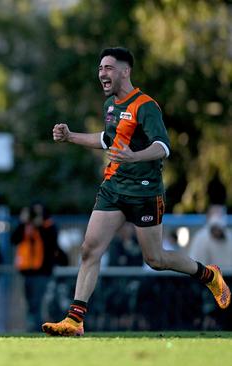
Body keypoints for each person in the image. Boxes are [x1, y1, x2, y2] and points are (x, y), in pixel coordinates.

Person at [43, 47, 230, 336]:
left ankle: (209, 274)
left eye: (108, 67)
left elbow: (163, 147)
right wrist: (71, 137)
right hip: (114, 188)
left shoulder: (146, 106)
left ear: (125, 71)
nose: (102, 73)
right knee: (89, 249)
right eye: (100, 68)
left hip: (145, 193)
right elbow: (107, 140)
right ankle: (75, 320)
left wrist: (134, 156)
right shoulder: (110, 106)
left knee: (155, 259)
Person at [12, 203, 66, 331]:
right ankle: (32, 328)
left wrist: (40, 225)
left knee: (38, 303)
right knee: (30, 304)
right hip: (26, 272)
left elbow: (51, 244)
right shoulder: (25, 227)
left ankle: (38, 328)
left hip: (42, 272)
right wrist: (22, 222)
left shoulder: (48, 226)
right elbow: (14, 239)